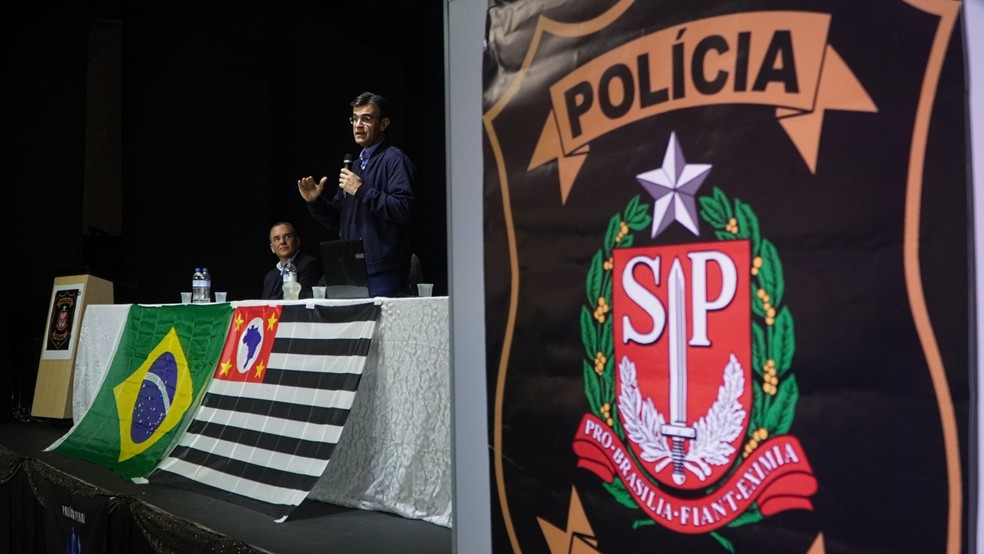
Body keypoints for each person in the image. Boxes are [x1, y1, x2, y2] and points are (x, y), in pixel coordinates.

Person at [298, 91, 416, 297]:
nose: (358, 125)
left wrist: (362, 191)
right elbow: (339, 220)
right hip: (349, 270)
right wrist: (315, 202)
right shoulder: (353, 166)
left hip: (382, 272)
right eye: (355, 118)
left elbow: (404, 209)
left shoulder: (395, 159)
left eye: (367, 118)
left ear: (384, 123)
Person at [261, 222, 324, 300]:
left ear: (297, 241)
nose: (282, 242)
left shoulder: (309, 265)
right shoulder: (270, 276)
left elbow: (302, 299)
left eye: (287, 236)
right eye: (277, 239)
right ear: (272, 248)